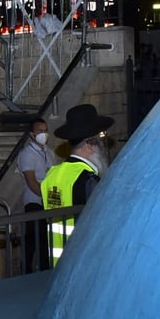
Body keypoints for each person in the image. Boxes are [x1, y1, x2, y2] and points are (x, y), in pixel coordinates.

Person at [40, 103, 114, 267]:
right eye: (101, 138)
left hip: (56, 264)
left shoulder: (52, 174)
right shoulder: (89, 180)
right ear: (89, 144)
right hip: (82, 264)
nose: (104, 144)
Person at [16, 116, 52, 273]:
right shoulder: (27, 155)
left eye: (45, 131)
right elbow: (31, 182)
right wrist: (46, 198)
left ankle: (45, 270)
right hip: (34, 202)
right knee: (33, 240)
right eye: (40, 131)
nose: (43, 134)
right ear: (32, 134)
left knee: (45, 242)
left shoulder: (49, 152)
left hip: (48, 201)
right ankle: (27, 272)